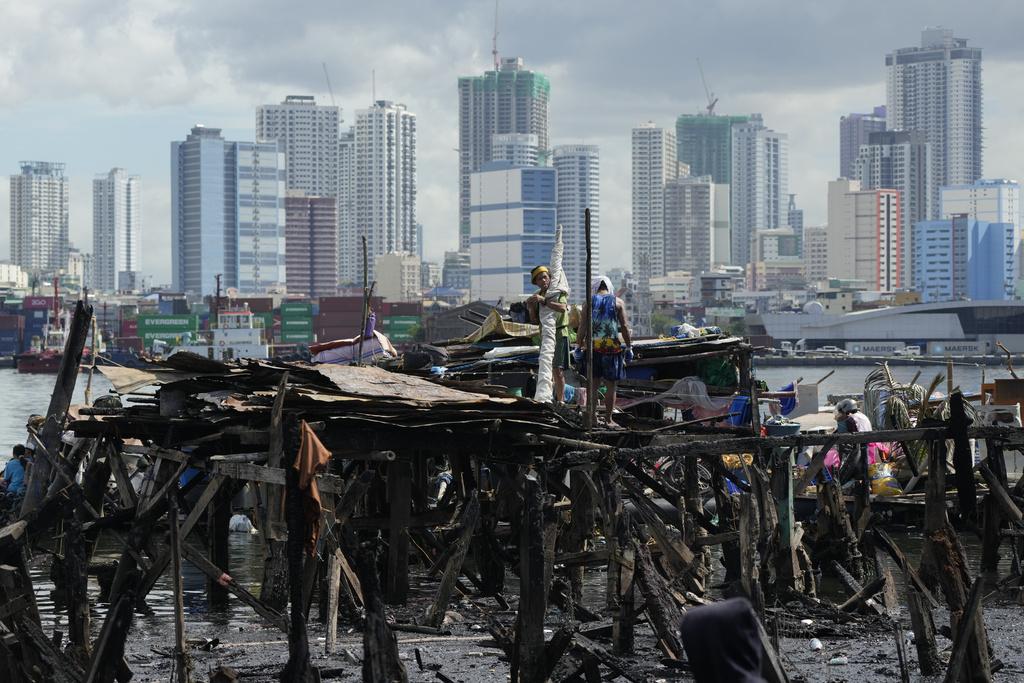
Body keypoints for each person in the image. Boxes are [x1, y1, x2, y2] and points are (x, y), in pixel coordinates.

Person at [578, 276, 632, 425]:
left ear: (594, 287)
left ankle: (593, 417)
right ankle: (608, 419)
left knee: (593, 386)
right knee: (611, 386)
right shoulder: (618, 302)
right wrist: (629, 347)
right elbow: (625, 327)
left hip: (592, 348)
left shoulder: (588, 302)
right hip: (611, 349)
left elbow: (582, 327)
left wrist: (578, 346)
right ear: (609, 287)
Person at [527, 265, 571, 403]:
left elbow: (563, 308)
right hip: (546, 335)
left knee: (557, 369)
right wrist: (530, 307)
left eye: (545, 277)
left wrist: (544, 301)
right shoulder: (538, 296)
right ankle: (548, 397)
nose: (543, 280)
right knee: (547, 367)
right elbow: (535, 320)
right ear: (536, 282)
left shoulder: (557, 292)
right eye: (540, 279)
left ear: (550, 278)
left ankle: (561, 400)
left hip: (559, 333)